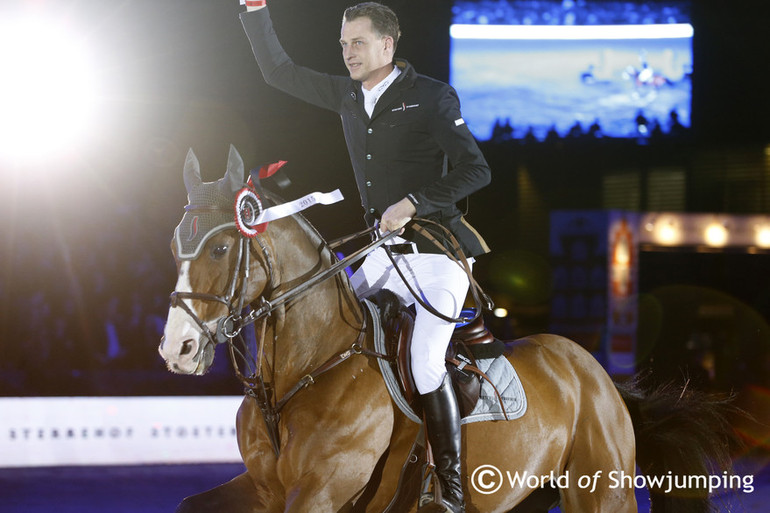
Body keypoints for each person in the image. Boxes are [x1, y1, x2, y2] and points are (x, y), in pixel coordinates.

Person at [240, 2, 491, 511]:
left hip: (435, 254)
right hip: (381, 254)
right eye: (342, 44)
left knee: (424, 363)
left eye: (357, 42)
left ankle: (451, 490)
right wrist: (254, 9)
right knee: (330, 334)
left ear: (387, 46)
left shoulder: (431, 97)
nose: (347, 53)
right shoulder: (347, 95)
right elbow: (277, 71)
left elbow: (476, 169)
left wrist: (414, 202)